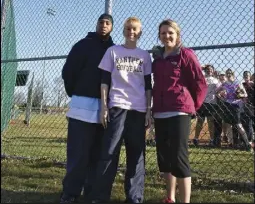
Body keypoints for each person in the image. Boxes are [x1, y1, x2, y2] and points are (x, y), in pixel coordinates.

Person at [90, 16, 152, 204]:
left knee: (136, 154)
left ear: (140, 32)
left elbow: (148, 86)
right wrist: (104, 107)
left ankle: (134, 197)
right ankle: (100, 197)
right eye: (127, 28)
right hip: (117, 107)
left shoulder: (144, 56)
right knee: (109, 152)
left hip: (138, 109)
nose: (131, 32)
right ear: (123, 31)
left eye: (134, 29)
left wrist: (148, 110)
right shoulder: (112, 51)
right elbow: (104, 81)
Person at [60, 14, 114, 204]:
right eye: (101, 22)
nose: (104, 25)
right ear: (96, 24)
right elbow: (68, 72)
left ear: (112, 27)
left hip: (106, 108)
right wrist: (76, 93)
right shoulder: (82, 45)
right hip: (82, 106)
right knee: (78, 154)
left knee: (98, 154)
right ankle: (70, 192)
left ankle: (92, 193)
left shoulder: (114, 50)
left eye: (108, 23)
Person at [152, 19, 207, 204]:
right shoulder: (157, 58)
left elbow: (199, 82)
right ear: (159, 36)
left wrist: (192, 105)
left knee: (179, 158)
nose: (166, 36)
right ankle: (171, 197)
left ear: (177, 35)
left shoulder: (186, 55)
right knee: (165, 159)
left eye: (170, 33)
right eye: (163, 33)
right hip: (160, 111)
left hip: (179, 111)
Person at [216, 69, 251, 151]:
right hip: (227, 105)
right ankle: (231, 142)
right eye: (227, 73)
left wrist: (239, 95)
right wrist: (222, 97)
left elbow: (245, 94)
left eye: (230, 73)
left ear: (233, 74)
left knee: (238, 125)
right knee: (228, 124)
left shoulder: (237, 83)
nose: (228, 74)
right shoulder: (224, 84)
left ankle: (247, 143)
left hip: (236, 105)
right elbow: (217, 92)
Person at [193, 64, 221, 147]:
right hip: (202, 102)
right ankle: (196, 138)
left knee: (210, 121)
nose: (209, 70)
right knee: (200, 121)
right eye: (208, 69)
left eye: (211, 69)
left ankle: (211, 140)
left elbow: (219, 90)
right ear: (205, 70)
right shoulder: (202, 78)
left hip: (212, 102)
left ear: (213, 71)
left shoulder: (216, 80)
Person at [241, 71, 254, 143]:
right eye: (245, 75)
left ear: (250, 76)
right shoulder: (242, 84)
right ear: (243, 77)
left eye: (247, 75)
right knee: (245, 123)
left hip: (252, 106)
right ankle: (246, 141)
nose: (246, 76)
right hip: (244, 106)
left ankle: (249, 140)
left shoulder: (253, 85)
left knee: (250, 124)